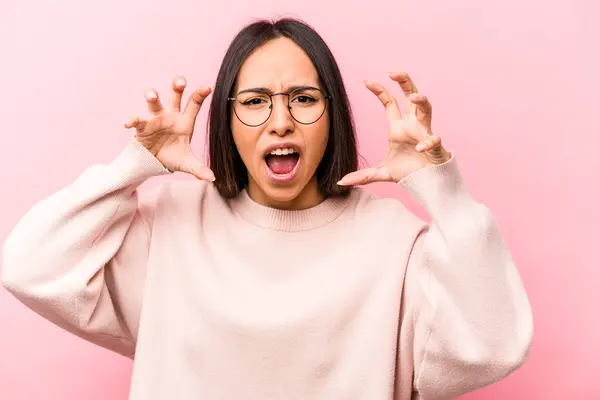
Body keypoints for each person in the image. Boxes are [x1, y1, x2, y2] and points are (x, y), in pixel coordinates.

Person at [1, 17, 533, 400]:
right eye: (254, 101)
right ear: (227, 123)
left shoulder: (395, 243)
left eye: (304, 97)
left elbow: (493, 349)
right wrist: (132, 167)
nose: (280, 121)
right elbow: (29, 266)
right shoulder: (170, 225)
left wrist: (440, 185)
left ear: (334, 117)